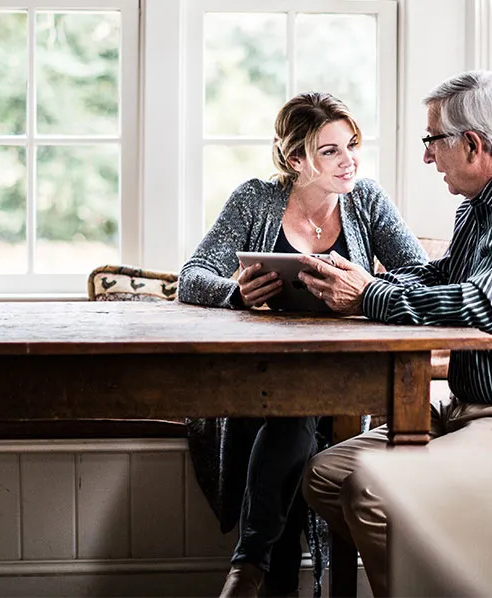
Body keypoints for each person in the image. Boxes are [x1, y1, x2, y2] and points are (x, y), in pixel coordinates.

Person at [296, 70, 492, 597]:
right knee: (326, 475)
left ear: (473, 143)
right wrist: (364, 281)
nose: (426, 157)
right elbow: (442, 277)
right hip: (470, 410)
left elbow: (486, 307)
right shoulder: (481, 205)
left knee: (375, 492)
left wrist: (369, 297)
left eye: (431, 141)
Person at [178, 92, 428, 598]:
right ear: (296, 159)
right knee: (294, 416)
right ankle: (266, 575)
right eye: (331, 150)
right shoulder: (256, 199)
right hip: (262, 378)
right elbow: (191, 277)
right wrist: (236, 293)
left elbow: (420, 278)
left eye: (352, 145)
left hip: (341, 377)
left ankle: (250, 568)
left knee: (297, 415)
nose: (349, 160)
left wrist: (366, 290)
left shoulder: (369, 201)